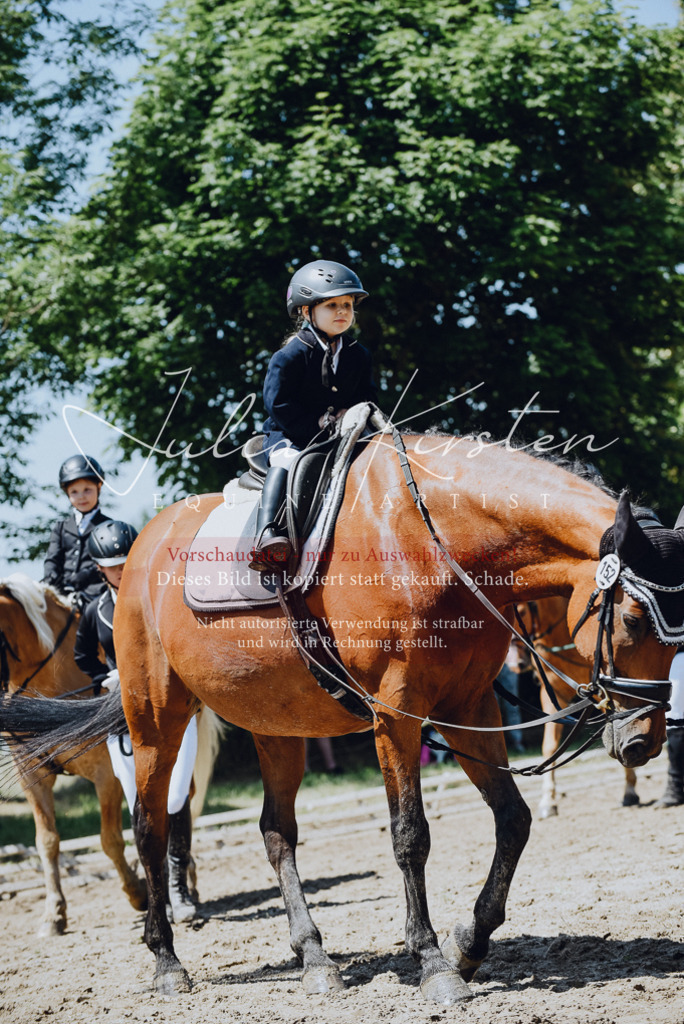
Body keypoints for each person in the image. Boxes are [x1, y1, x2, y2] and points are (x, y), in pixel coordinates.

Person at [249, 259, 377, 571]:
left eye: (347, 305)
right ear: (307, 312)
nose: (343, 312)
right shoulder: (290, 355)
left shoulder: (358, 354)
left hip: (342, 436)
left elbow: (369, 396)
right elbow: (277, 405)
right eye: (332, 305)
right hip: (290, 435)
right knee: (287, 460)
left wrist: (357, 413)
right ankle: (267, 534)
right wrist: (316, 424)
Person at [73, 520, 199, 825]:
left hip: (167, 699)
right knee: (137, 799)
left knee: (175, 796)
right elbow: (83, 655)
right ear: (100, 569)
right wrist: (105, 677)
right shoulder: (95, 611)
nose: (120, 571)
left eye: (125, 562)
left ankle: (179, 860)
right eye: (111, 566)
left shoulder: (163, 598)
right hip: (121, 707)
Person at [43, 454, 110, 607]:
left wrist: (83, 576)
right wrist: (50, 577)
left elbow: (107, 563)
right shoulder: (60, 527)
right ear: (67, 493)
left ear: (99, 486)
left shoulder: (107, 526)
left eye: (87, 490)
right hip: (62, 591)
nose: (81, 497)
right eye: (74, 492)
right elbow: (52, 558)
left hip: (95, 592)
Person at [654, 646, 684, 807]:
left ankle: (675, 787)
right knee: (675, 719)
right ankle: (676, 785)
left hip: (679, 658)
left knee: (675, 716)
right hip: (671, 658)